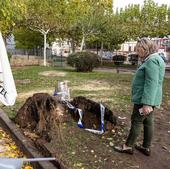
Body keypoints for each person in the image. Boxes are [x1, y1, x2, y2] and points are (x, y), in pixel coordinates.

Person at [114, 38, 166, 156]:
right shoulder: (156, 58)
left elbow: (151, 82)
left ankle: (128, 146)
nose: (137, 52)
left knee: (137, 121)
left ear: (146, 48)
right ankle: (146, 147)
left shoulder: (152, 61)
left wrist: (147, 103)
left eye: (139, 49)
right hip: (151, 98)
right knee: (148, 122)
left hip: (145, 99)